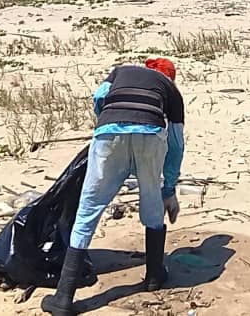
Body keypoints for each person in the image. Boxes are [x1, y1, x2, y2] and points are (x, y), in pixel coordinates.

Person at [41, 58, 186, 315]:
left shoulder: (120, 72)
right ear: (170, 78)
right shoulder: (171, 91)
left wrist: (106, 122)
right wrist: (169, 190)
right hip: (150, 135)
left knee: (89, 208)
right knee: (151, 200)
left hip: (109, 132)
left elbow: (99, 97)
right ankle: (154, 275)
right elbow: (175, 144)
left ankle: (63, 297)